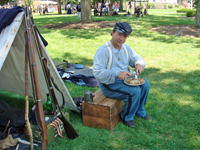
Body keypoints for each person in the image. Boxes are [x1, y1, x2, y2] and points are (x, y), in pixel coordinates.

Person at [93, 22, 151, 128]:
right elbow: (97, 73)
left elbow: (137, 58)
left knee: (145, 85)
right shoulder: (103, 51)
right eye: (119, 34)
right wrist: (116, 74)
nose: (121, 39)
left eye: (124, 36)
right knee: (135, 91)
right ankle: (127, 117)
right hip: (109, 84)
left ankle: (139, 110)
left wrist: (139, 64)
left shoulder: (126, 48)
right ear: (113, 33)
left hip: (124, 80)